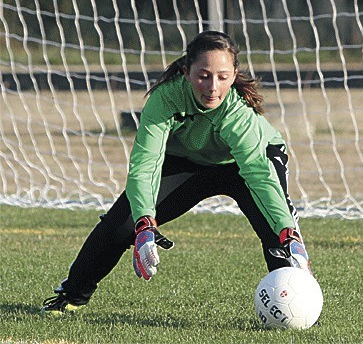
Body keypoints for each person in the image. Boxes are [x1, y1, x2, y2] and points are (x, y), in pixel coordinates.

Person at [41, 30, 311, 315]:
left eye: (222, 77)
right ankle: (71, 296)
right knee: (121, 225)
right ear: (186, 71)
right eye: (203, 75)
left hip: (243, 166)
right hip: (187, 163)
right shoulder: (166, 99)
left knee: (278, 239)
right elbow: (145, 164)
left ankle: (301, 308)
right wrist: (145, 223)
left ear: (234, 75)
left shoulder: (238, 114)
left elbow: (258, 174)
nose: (212, 87)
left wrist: (288, 231)